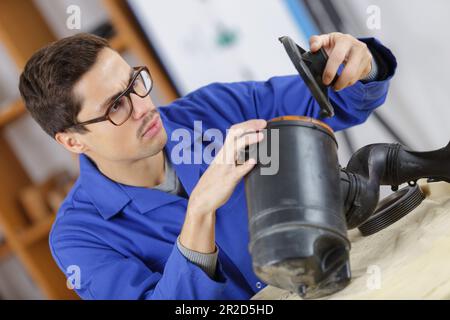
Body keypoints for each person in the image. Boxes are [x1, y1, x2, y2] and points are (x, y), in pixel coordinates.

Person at [18, 32, 396, 299]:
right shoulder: (79, 238)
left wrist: (360, 65)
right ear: (72, 140)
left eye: (135, 82)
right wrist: (199, 212)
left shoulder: (212, 111)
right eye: (116, 105)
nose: (143, 106)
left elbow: (337, 102)